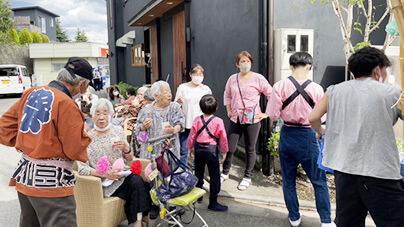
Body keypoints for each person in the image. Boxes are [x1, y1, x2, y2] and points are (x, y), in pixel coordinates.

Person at [309, 47, 404, 227]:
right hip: (380, 172)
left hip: (344, 170)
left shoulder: (334, 90)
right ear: (378, 70)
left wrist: (321, 131)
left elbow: (313, 118)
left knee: (349, 223)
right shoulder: (392, 93)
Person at [0, 57, 93, 226]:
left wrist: (31, 144)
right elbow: (74, 149)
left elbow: (4, 128)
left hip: (26, 179)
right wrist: (84, 132)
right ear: (82, 84)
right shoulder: (66, 103)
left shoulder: (31, 92)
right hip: (52, 187)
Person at [266, 52, 333, 227]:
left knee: (289, 180)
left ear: (291, 66)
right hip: (309, 135)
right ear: (309, 66)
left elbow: (272, 114)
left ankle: (294, 217)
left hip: (287, 134)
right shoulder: (317, 89)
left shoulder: (279, 86)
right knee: (319, 181)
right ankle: (326, 221)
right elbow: (323, 118)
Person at [77, 99, 151, 227]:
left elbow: (129, 158)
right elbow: (82, 169)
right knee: (139, 185)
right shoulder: (87, 138)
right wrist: (104, 174)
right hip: (102, 183)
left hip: (121, 177)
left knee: (139, 183)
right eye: (98, 113)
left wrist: (126, 148)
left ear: (111, 116)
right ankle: (137, 221)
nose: (101, 117)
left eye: (105, 113)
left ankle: (137, 222)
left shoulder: (118, 131)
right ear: (92, 116)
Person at [222, 50, 272, 190]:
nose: (245, 64)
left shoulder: (258, 78)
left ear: (251, 63)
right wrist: (229, 110)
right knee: (230, 147)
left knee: (250, 148)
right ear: (237, 64)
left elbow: (271, 94)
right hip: (236, 117)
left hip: (252, 118)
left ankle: (247, 176)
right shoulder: (232, 79)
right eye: (242, 61)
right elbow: (227, 94)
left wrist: (266, 113)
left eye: (248, 61)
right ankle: (225, 172)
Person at [187, 94, 228, 211]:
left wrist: (190, 148)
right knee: (215, 176)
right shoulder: (218, 121)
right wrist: (224, 152)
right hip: (211, 151)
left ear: (201, 107)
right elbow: (223, 138)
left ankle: (198, 196)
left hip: (199, 150)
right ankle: (213, 202)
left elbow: (192, 136)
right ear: (216, 108)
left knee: (198, 173)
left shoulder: (197, 120)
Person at [136, 81, 185, 160]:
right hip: (151, 151)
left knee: (170, 170)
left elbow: (180, 123)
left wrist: (174, 129)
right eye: (166, 92)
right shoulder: (146, 111)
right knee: (152, 171)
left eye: (170, 91)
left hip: (170, 150)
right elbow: (138, 129)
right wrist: (143, 127)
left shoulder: (174, 107)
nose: (169, 95)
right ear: (156, 96)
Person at [175, 64, 212, 166]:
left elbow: (210, 106)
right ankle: (183, 171)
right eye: (195, 73)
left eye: (200, 74)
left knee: (199, 150)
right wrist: (178, 102)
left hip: (201, 124)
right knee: (184, 150)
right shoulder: (183, 87)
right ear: (190, 74)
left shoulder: (206, 89)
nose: (198, 76)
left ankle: (197, 172)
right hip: (187, 122)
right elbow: (175, 106)